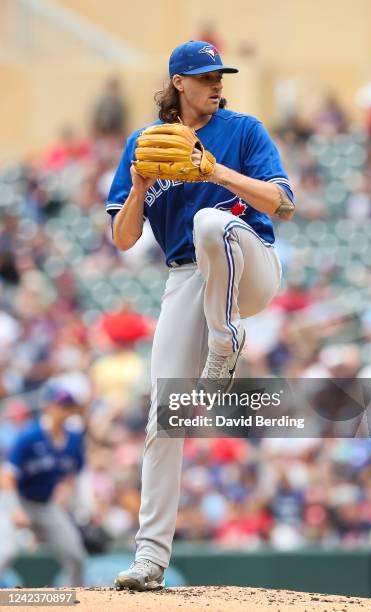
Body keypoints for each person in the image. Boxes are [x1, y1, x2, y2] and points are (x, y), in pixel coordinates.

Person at [106, 40, 295, 591]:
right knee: (165, 413)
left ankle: (226, 340)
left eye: (219, 74)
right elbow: (121, 239)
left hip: (249, 259)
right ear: (179, 82)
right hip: (188, 278)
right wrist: (141, 184)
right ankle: (149, 559)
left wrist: (217, 172)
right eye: (205, 75)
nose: (216, 82)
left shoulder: (243, 130)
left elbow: (283, 204)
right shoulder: (144, 142)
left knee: (211, 221)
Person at [0, 382, 87, 586]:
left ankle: (76, 603)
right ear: (48, 406)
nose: (65, 411)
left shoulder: (74, 438)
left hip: (46, 505)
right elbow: (6, 476)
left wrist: (69, 493)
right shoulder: (29, 436)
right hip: (17, 501)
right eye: (61, 405)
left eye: (69, 406)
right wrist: (14, 510)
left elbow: (75, 473)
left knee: (76, 556)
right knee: (5, 553)